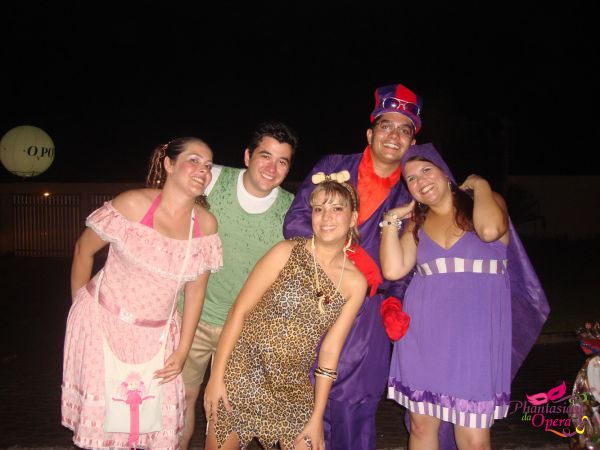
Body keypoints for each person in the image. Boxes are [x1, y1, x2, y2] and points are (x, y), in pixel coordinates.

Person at [380, 143, 550, 449]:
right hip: (423, 335)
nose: (420, 181)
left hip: (475, 338)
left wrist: (481, 185)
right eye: (411, 179)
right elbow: (393, 269)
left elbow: (490, 230)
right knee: (420, 426)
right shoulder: (417, 223)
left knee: (473, 438)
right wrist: (392, 219)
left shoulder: (483, 203)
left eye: (426, 170)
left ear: (445, 172)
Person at [283, 83, 421, 449]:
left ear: (412, 142)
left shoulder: (413, 192)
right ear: (370, 133)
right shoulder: (334, 166)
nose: (394, 136)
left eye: (404, 130)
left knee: (353, 412)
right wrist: (353, 258)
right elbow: (295, 223)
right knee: (303, 404)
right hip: (315, 298)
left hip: (368, 315)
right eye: (386, 126)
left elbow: (406, 261)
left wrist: (394, 301)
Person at [61, 137, 223, 449]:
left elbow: (196, 292)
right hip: (104, 328)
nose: (203, 170)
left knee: (152, 427)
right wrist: (81, 313)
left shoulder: (205, 224)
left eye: (208, 165)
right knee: (106, 428)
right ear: (169, 164)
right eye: (193, 160)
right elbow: (83, 250)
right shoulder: (132, 204)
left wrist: (183, 350)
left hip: (158, 338)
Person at [204, 175, 367, 450]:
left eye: (337, 209)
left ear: (353, 218)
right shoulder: (286, 251)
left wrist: (317, 416)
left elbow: (330, 351)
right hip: (242, 371)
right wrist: (216, 378)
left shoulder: (355, 282)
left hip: (292, 386)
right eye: (319, 209)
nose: (326, 217)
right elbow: (239, 311)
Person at [179, 120, 298, 450]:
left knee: (224, 412)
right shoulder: (213, 178)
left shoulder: (292, 210)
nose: (272, 168)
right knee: (181, 401)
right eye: (265, 156)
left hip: (243, 330)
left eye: (283, 161)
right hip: (191, 316)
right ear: (247, 156)